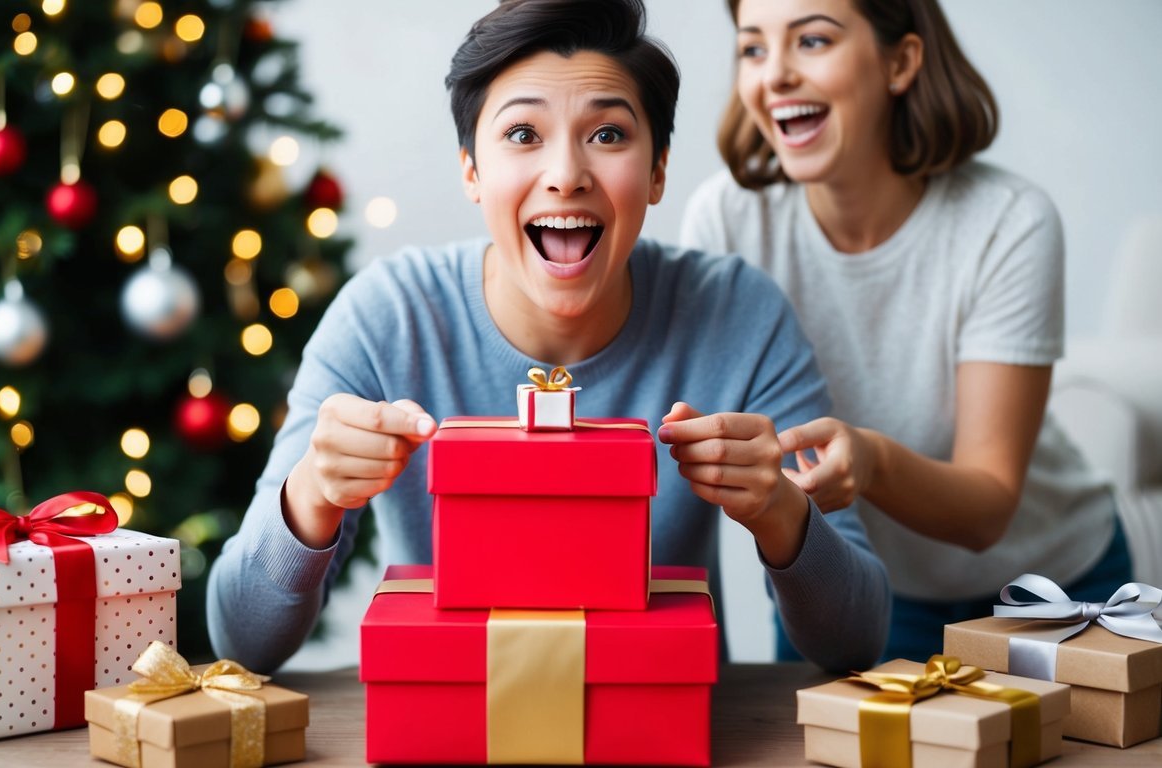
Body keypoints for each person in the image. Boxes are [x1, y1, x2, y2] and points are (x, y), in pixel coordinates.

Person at [208, 0, 889, 673]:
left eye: (608, 135)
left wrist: (778, 510)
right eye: (523, 135)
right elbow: (241, 640)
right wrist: (310, 496)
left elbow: (856, 640)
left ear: (657, 172)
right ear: (471, 170)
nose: (565, 175)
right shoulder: (386, 316)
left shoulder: (739, 313)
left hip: (657, 726)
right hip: (446, 724)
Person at [681, 0, 1132, 662]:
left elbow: (985, 512)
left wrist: (868, 459)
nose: (772, 74)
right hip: (857, 597)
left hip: (1045, 592)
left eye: (810, 40)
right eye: (752, 48)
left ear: (900, 61)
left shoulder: (1007, 222)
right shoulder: (725, 220)